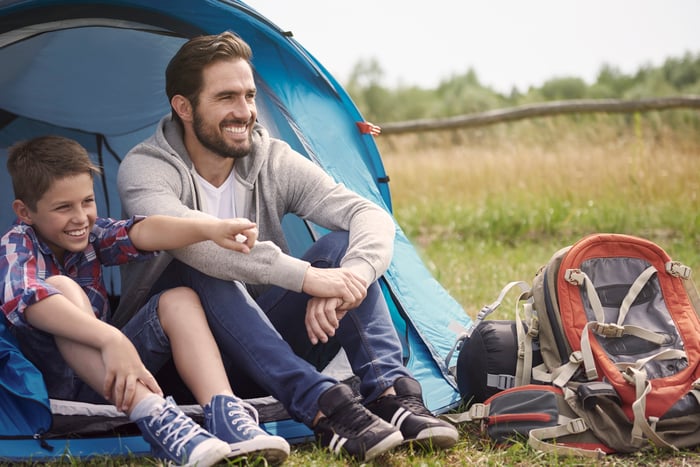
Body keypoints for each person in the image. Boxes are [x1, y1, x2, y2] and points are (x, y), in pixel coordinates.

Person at [115, 31, 459, 462]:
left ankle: (391, 396)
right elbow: (197, 245)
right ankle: (322, 407)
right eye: (226, 98)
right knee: (199, 258)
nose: (244, 112)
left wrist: (348, 280)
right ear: (184, 107)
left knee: (341, 246)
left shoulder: (271, 159)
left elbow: (369, 215)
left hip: (267, 350)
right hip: (187, 365)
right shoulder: (146, 167)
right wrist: (308, 278)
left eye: (249, 96)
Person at [0, 136, 290, 466]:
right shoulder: (16, 247)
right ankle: (159, 420)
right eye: (63, 207)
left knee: (178, 300)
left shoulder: (89, 235)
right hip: (54, 388)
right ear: (25, 212)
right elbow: (30, 300)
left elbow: (141, 232)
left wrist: (210, 228)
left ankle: (225, 412)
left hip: (112, 375)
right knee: (61, 288)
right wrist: (110, 337)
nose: (81, 217)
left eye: (87, 201)